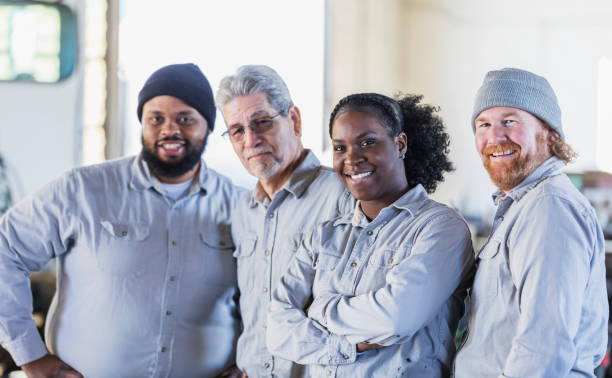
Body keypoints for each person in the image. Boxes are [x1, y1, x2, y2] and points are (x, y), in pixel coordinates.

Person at [0, 63, 245, 377]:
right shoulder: (81, 190)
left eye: (185, 119)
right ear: (142, 124)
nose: (170, 130)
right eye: (156, 119)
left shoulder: (240, 206)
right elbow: (5, 249)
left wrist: (251, 363)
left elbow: (264, 296)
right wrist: (29, 356)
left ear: (209, 127)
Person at [266, 93, 475, 377]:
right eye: (340, 148)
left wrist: (320, 309)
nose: (352, 159)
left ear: (400, 144)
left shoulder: (440, 228)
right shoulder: (324, 235)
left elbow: (395, 318)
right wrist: (342, 346)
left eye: (367, 142)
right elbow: (277, 328)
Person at [453, 68, 608, 377]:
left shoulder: (549, 207)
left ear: (548, 132)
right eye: (483, 124)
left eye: (509, 121)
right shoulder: (522, 206)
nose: (494, 137)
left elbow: (543, 349)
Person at [215, 65, 354, 377]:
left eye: (261, 122)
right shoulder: (243, 211)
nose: (250, 140)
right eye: (237, 130)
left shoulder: (342, 196)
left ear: (294, 119)